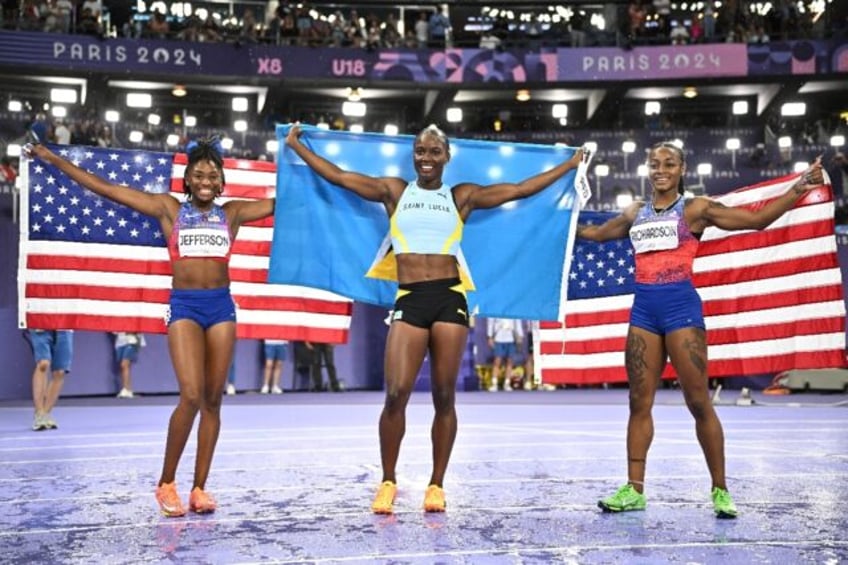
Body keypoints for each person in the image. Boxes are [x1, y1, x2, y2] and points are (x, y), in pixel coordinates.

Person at [285, 123, 583, 514]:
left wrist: (571, 165)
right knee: (396, 394)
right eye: (420, 152)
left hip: (449, 299)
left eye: (434, 152)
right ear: (414, 156)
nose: (426, 158)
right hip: (410, 298)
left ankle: (436, 485)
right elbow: (338, 177)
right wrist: (295, 145)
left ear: (447, 156)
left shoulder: (461, 196)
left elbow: (521, 189)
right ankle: (388, 480)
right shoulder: (394, 191)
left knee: (445, 396)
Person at [25, 137, 275, 517]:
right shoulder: (168, 209)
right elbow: (106, 188)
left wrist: (305, 164)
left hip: (221, 307)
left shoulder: (234, 213)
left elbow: (287, 204)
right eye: (198, 174)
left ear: (222, 183)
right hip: (185, 308)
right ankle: (167, 483)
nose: (206, 180)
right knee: (191, 395)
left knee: (213, 400)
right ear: (187, 180)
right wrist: (48, 156)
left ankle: (200, 489)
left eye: (213, 175)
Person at [577, 142, 823, 519]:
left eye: (669, 163)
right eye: (654, 163)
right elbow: (595, 234)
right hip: (643, 312)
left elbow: (756, 220)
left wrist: (799, 187)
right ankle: (634, 490)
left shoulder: (695, 209)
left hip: (680, 312)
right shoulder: (635, 213)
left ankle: (721, 490)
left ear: (682, 169)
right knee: (638, 402)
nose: (660, 169)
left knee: (698, 402)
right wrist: (556, 221)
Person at [24, 329, 73, 431]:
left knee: (60, 372)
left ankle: (46, 414)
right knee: (43, 364)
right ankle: (39, 413)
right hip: (40, 324)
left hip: (64, 327)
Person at [486, 318, 524, 391]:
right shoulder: (495, 308)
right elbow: (490, 322)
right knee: (497, 361)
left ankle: (507, 383)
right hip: (498, 338)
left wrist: (520, 335)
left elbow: (517, 321)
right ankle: (494, 383)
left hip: (511, 338)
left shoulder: (513, 308)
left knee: (510, 361)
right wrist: (490, 336)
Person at [113, 332, 145, 398]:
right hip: (120, 342)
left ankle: (126, 389)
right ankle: (128, 390)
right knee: (124, 367)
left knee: (124, 364)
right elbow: (114, 331)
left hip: (132, 341)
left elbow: (137, 327)